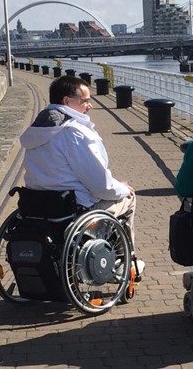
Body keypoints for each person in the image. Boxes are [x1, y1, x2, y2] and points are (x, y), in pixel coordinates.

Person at [18, 76, 144, 278]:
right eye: (85, 101)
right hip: (72, 209)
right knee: (128, 198)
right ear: (67, 101)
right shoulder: (74, 133)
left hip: (37, 207)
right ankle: (123, 264)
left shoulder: (38, 130)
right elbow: (101, 186)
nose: (90, 106)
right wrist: (122, 188)